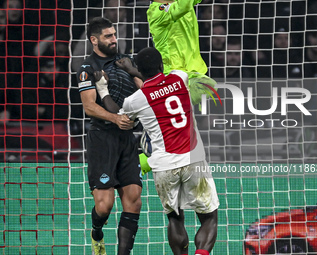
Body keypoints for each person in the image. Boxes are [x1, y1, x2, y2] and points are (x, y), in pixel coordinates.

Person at [113, 47, 219, 255]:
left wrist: (104, 90)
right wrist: (136, 71)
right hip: (193, 159)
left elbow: (123, 120)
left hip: (163, 165)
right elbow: (165, 79)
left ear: (140, 71)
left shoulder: (135, 100)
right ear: (161, 66)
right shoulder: (180, 78)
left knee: (175, 217)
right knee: (209, 217)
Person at [77, 17, 142, 255]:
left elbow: (146, 89)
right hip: (102, 139)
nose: (114, 40)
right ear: (94, 40)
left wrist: (133, 71)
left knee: (134, 200)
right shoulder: (87, 68)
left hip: (128, 139)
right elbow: (89, 107)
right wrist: (116, 119)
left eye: (114, 35)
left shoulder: (125, 61)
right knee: (104, 207)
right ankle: (97, 233)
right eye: (108, 36)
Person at [147, 0, 218, 105]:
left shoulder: (179, 3)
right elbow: (182, 7)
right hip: (172, 72)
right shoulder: (157, 10)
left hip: (192, 71)